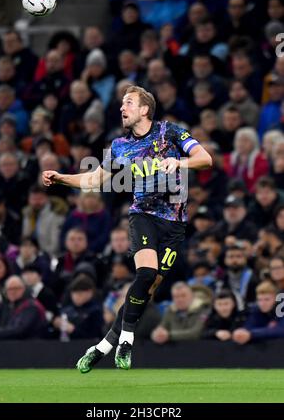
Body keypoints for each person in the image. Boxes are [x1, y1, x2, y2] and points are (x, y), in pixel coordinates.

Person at [42, 85, 212, 371]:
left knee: (148, 287)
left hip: (175, 225)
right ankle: (127, 340)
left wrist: (178, 160)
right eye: (122, 103)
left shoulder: (169, 132)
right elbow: (94, 180)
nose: (123, 108)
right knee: (145, 273)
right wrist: (60, 178)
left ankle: (104, 345)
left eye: (129, 103)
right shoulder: (119, 146)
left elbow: (205, 160)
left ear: (145, 109)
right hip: (142, 215)